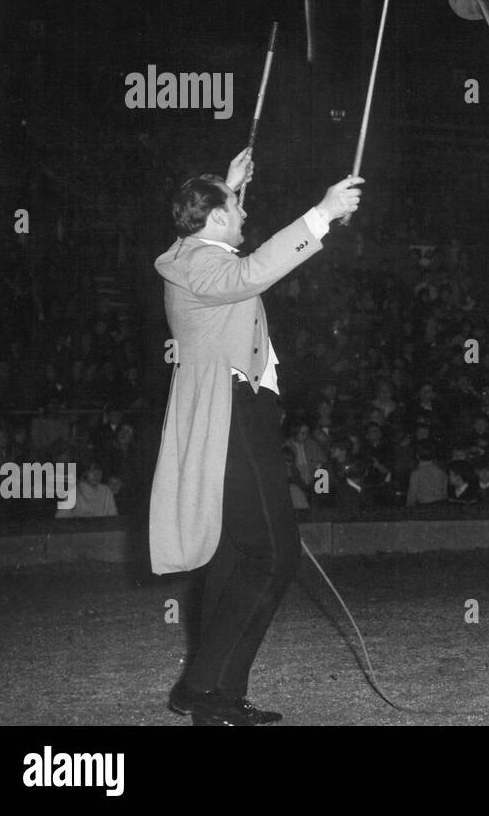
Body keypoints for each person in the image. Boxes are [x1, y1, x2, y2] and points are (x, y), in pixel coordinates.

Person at [150, 146, 363, 726]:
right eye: (236, 210)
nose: (246, 217)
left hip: (240, 413)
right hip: (231, 414)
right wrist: (320, 214)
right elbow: (247, 271)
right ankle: (199, 686)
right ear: (214, 220)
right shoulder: (200, 263)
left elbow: (228, 243)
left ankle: (217, 697)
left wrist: (230, 183)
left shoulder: (197, 253)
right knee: (274, 553)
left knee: (235, 555)